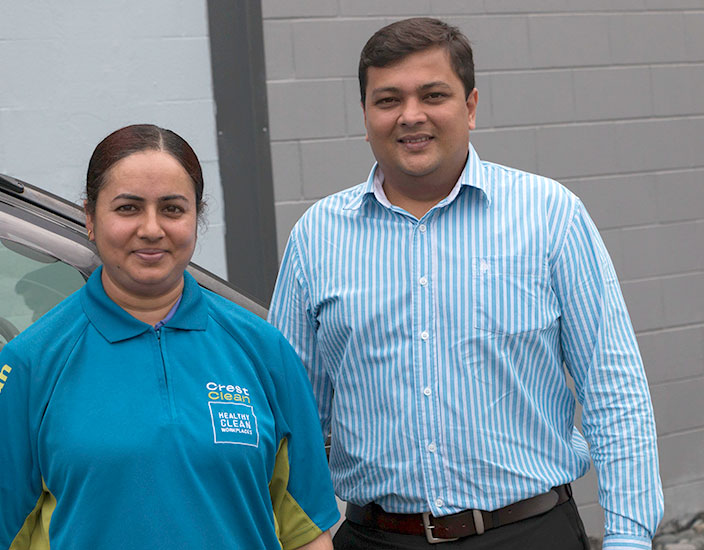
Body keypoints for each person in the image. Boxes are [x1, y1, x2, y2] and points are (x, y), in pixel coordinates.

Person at [269, 17, 663, 550]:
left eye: (433, 95)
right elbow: (290, 419)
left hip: (529, 533)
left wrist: (630, 538)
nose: (411, 116)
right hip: (375, 538)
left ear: (470, 106)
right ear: (364, 116)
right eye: (388, 100)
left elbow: (614, 389)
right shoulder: (316, 238)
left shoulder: (550, 216)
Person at [0, 124, 339, 550]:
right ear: (89, 218)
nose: (152, 229)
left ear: (197, 217)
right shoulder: (32, 361)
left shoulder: (265, 351)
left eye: (173, 209)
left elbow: (307, 533)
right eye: (128, 208)